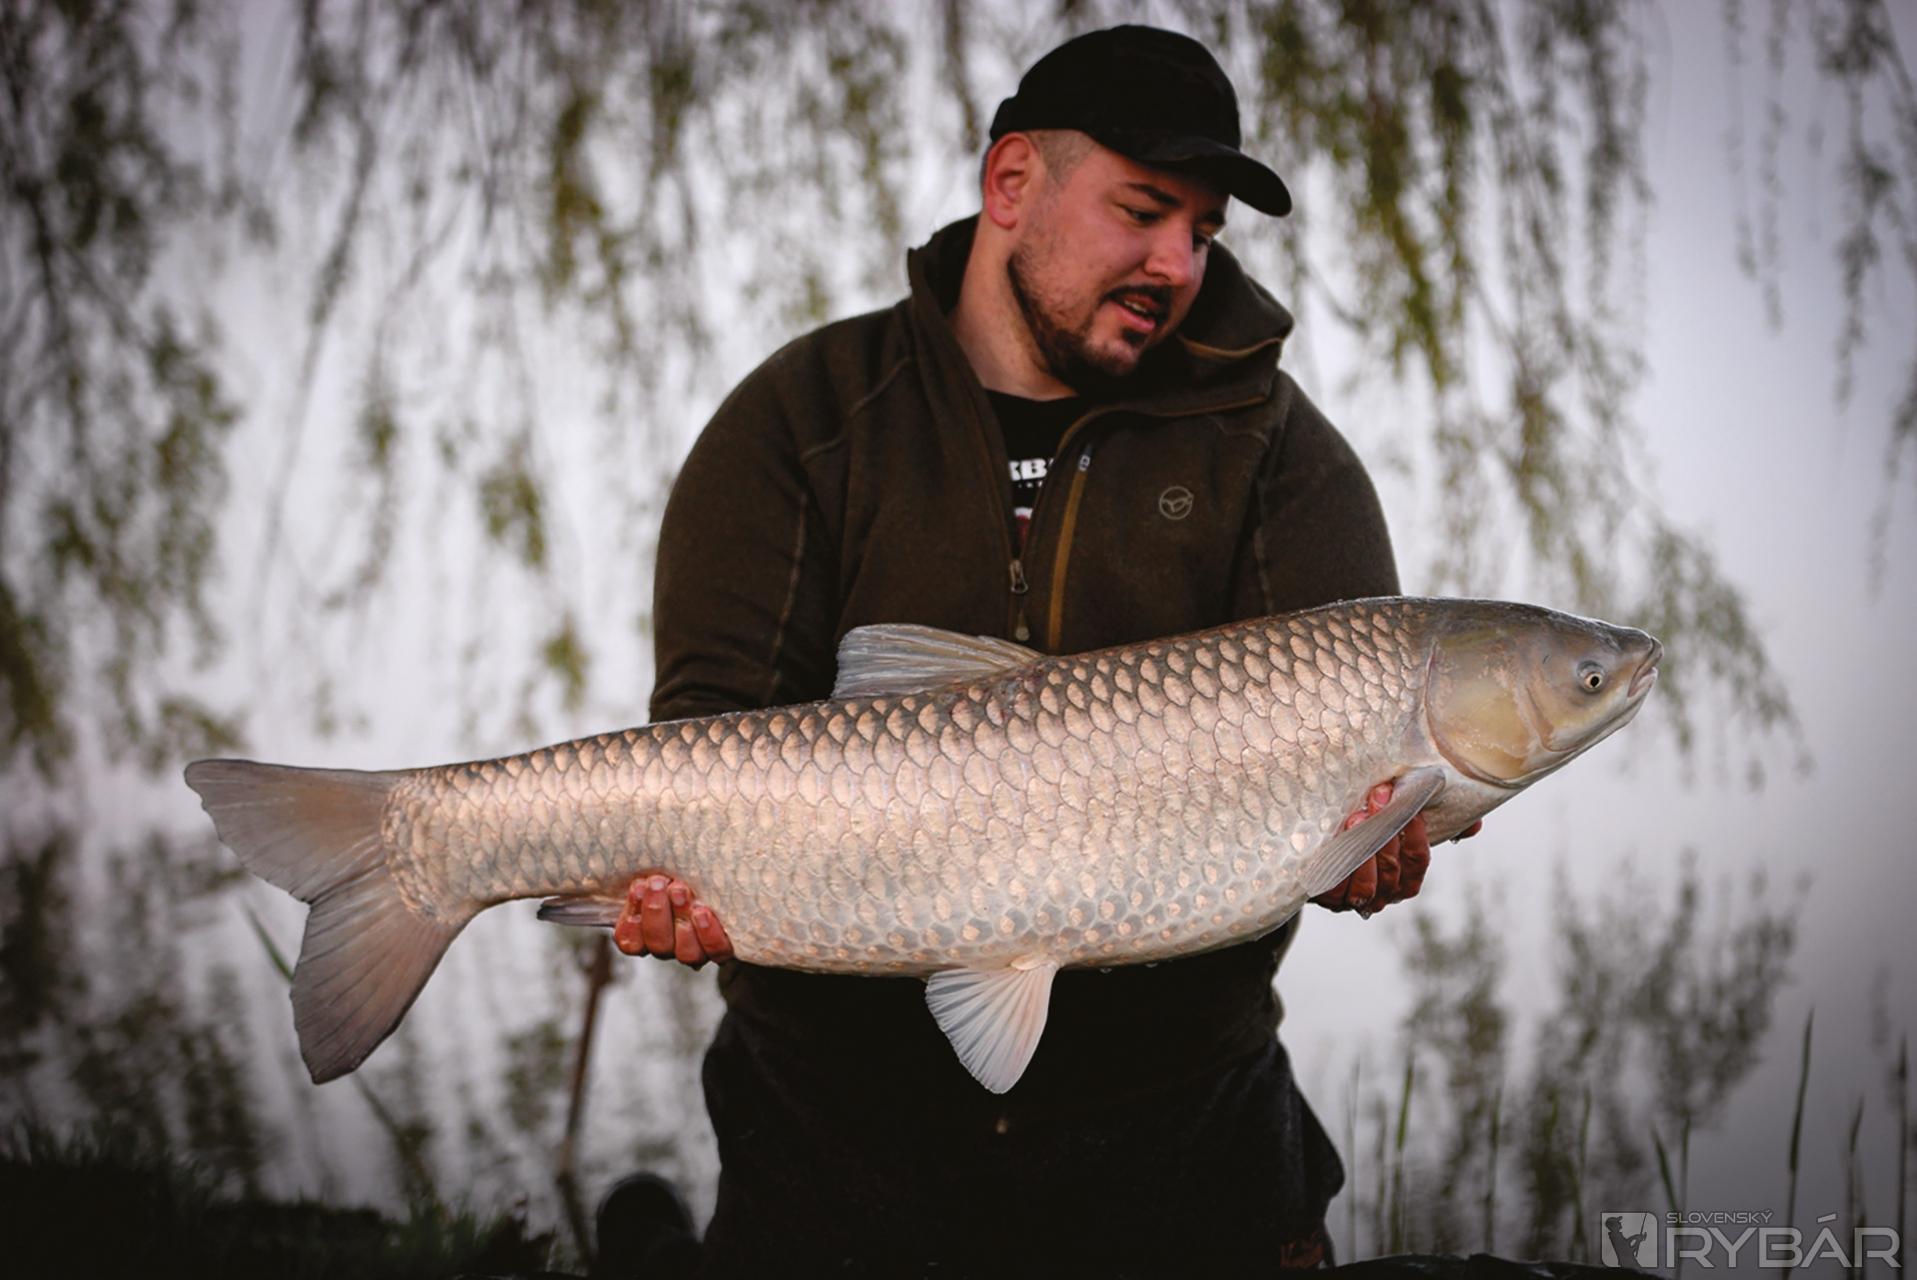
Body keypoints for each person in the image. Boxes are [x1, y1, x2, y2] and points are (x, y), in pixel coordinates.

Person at [599, 25, 1477, 1276]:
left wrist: (1364, 853)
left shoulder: (1278, 454)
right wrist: (676, 883)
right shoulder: (804, 418)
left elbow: (1352, 790)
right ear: (1012, 181)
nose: (1176, 263)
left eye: (1204, 231)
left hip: (1186, 1157)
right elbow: (706, 731)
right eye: (1143, 210)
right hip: (832, 1159)